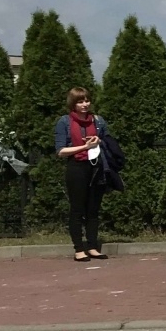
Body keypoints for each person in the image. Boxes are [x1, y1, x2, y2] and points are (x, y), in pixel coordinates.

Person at [54, 88, 108, 262]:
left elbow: (108, 142)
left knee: (93, 209)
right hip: (76, 167)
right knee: (77, 209)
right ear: (73, 104)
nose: (84, 104)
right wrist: (85, 147)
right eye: (80, 101)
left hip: (95, 166)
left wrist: (98, 141)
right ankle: (79, 248)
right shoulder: (64, 122)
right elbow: (61, 151)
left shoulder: (98, 121)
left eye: (87, 100)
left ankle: (92, 246)